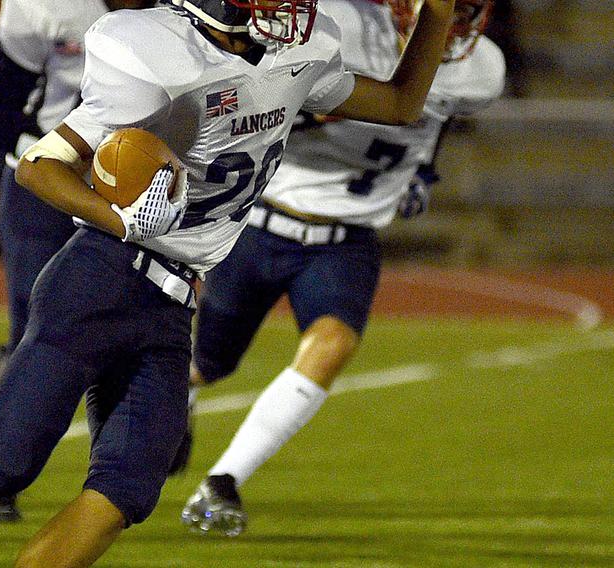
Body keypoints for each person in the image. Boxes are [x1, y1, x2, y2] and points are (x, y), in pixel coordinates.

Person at [0, 1, 457, 565]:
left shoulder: (301, 56)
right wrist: (121, 219)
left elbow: (402, 105)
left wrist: (437, 12)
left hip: (174, 301)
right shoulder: (156, 48)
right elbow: (41, 167)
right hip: (98, 279)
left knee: (127, 492)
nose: (296, 6)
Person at [180, 0, 505, 537]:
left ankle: (222, 482)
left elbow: (434, 124)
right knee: (207, 363)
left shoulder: (483, 69)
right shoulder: (339, 25)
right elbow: (252, 98)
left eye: (465, 5)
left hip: (346, 239)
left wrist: (423, 173)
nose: (454, 16)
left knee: (333, 344)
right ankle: (184, 395)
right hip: (262, 220)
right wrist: (309, 110)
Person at [0, 0, 156, 522]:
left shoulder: (179, 15)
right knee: (34, 323)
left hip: (138, 188)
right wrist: (54, 159)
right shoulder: (45, 7)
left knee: (137, 313)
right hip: (47, 187)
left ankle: (122, 456)